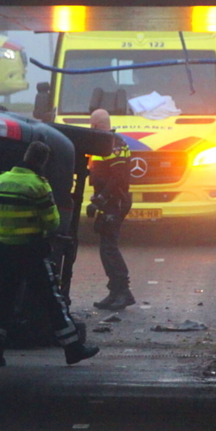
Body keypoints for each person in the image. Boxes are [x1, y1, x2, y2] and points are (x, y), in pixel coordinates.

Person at [0, 141, 98, 367]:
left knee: (3, 302)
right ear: (42, 161)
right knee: (53, 301)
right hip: (31, 252)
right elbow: (53, 222)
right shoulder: (38, 186)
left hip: (3, 252)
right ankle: (73, 348)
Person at [88, 109, 135, 310]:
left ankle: (123, 292)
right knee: (105, 247)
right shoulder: (103, 144)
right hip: (109, 201)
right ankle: (114, 292)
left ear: (97, 125)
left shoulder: (114, 144)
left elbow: (117, 178)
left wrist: (100, 199)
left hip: (115, 202)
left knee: (109, 247)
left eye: (92, 125)